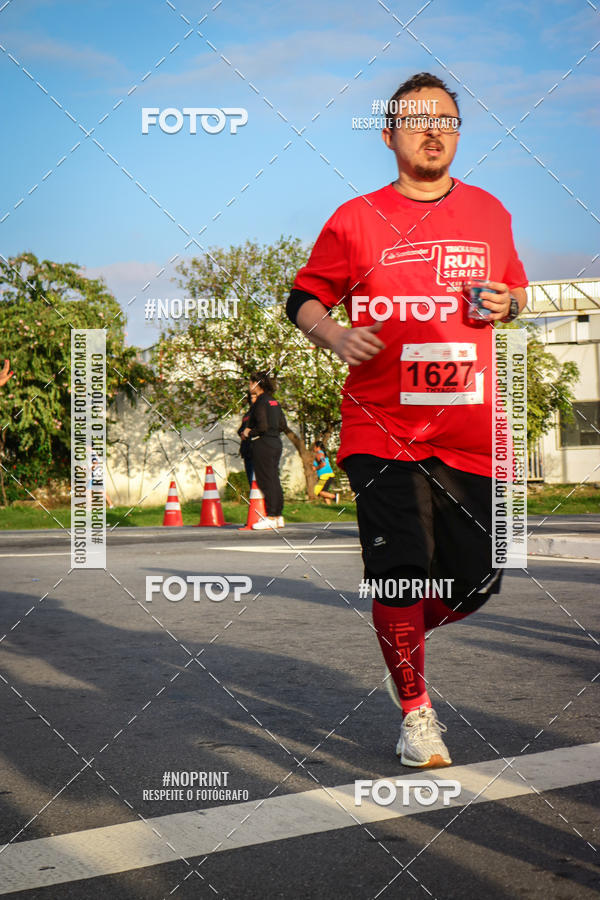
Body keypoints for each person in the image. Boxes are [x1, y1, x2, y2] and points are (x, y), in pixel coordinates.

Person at [286, 72, 527, 767]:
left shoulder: (491, 212)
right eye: (417, 119)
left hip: (471, 432)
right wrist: (331, 334)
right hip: (381, 425)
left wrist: (510, 303)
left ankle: (397, 633)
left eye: (446, 119)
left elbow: (517, 292)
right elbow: (304, 294)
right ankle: (416, 713)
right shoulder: (355, 218)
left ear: (458, 132)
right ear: (389, 135)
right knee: (400, 572)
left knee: (477, 582)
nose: (433, 130)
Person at [242, 372, 288, 530]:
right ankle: (278, 516)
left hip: (263, 444)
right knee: (274, 479)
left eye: (250, 383)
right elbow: (283, 424)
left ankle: (271, 516)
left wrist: (248, 432)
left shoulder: (260, 402)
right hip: (276, 442)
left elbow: (262, 426)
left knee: (265, 481)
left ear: (257, 384)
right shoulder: (274, 401)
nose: (249, 387)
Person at [237, 392, 255, 488]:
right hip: (247, 449)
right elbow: (240, 429)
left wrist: (250, 432)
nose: (253, 399)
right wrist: (242, 433)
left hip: (257, 449)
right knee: (250, 478)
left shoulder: (261, 411)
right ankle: (253, 500)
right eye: (251, 397)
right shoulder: (247, 414)